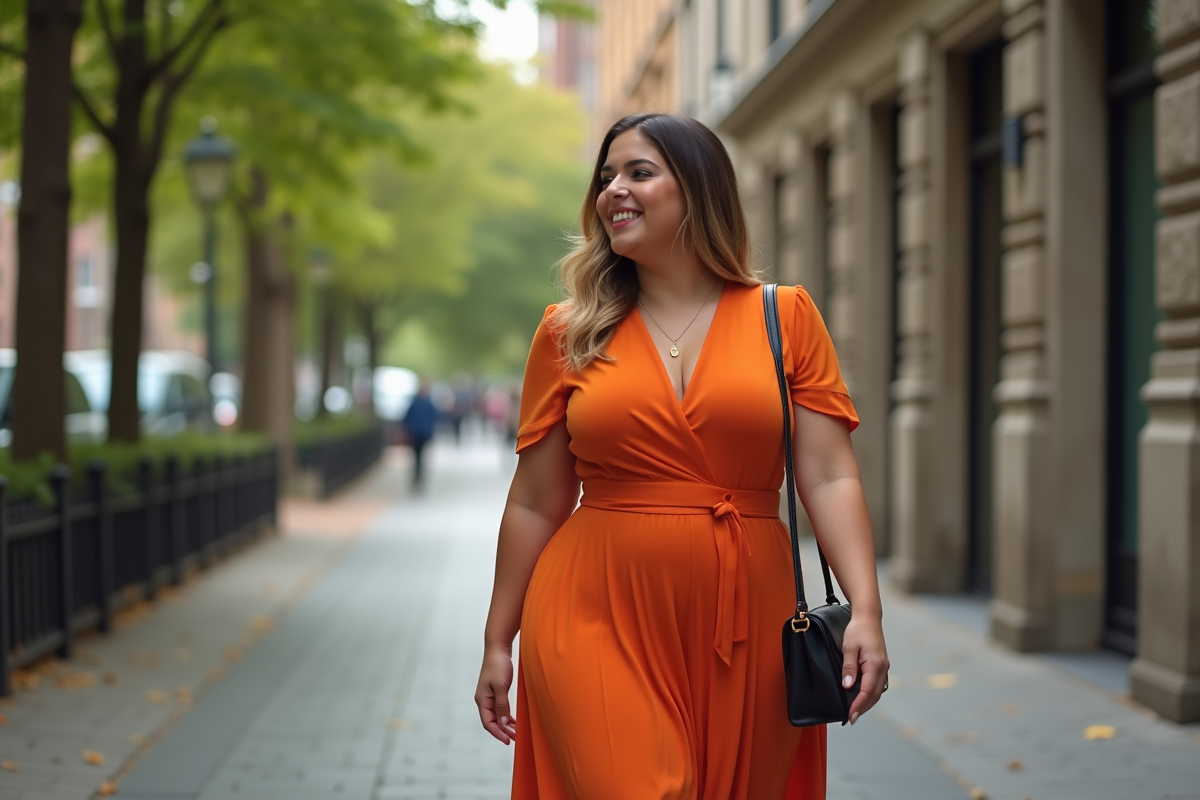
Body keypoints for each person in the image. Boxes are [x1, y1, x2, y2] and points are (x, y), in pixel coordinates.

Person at [474, 114, 890, 800]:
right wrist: (498, 639)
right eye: (605, 178)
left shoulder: (784, 317)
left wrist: (866, 612)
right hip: (593, 603)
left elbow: (828, 473)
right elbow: (534, 498)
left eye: (639, 172)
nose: (614, 190)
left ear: (698, 190)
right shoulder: (566, 332)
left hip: (751, 614)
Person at [402, 378, 437, 490]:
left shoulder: (426, 402)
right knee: (417, 457)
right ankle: (417, 478)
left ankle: (418, 478)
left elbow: (434, 418)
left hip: (423, 433)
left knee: (420, 457)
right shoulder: (419, 402)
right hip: (416, 433)